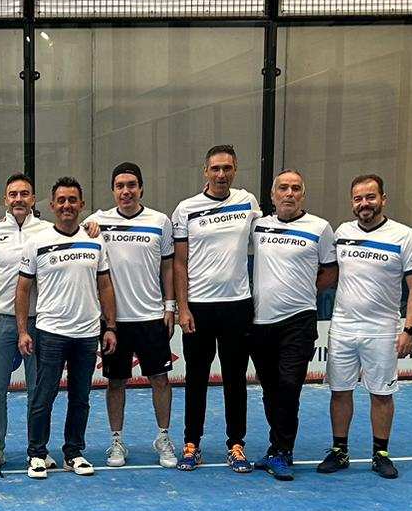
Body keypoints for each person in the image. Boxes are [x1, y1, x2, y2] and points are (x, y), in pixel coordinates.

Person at [317, 173, 412, 480]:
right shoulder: (342, 232)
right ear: (352, 202)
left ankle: (381, 454)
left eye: (370, 197)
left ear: (383, 199)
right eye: (358, 198)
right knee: (340, 391)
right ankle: (340, 451)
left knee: (381, 393)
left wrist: (409, 330)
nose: (364, 203)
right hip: (342, 329)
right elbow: (328, 273)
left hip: (382, 330)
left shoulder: (404, 236)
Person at [15, 177, 117, 479]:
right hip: (50, 333)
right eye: (61, 200)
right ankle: (37, 453)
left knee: (80, 398)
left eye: (72, 200)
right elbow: (23, 289)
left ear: (81, 204)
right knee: (43, 396)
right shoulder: (37, 242)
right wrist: (23, 331)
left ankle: (74, 453)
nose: (67, 205)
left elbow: (105, 285)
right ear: (52, 205)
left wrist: (110, 326)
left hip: (87, 335)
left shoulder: (95, 240)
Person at [171, 144, 261, 473]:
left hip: (237, 307)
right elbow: (179, 264)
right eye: (215, 168)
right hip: (199, 308)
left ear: (235, 170)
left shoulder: (248, 202)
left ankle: (236, 444)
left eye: (227, 168)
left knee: (235, 379)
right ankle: (191, 443)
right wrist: (182, 308)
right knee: (196, 378)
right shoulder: (186, 209)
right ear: (205, 171)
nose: (221, 174)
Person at [249, 169, 337, 481]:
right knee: (270, 389)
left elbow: (330, 271)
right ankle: (276, 447)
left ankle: (283, 451)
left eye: (295, 188)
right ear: (272, 195)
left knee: (289, 386)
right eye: (283, 188)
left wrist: (304, 292)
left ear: (303, 194)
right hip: (260, 322)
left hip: (299, 321)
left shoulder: (319, 228)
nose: (289, 193)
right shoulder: (258, 225)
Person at [90, 162, 177, 469]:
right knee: (116, 382)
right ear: (113, 190)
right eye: (120, 186)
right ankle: (116, 441)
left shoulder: (160, 221)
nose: (125, 191)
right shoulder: (97, 222)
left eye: (131, 185)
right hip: (113, 322)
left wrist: (170, 306)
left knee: (160, 379)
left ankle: (163, 438)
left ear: (141, 188)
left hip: (152, 317)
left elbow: (168, 266)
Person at [0, 172, 53, 471]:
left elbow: (79, 234)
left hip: (39, 320)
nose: (19, 199)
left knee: (38, 391)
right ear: (5, 200)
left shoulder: (48, 232)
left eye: (24, 194)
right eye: (13, 194)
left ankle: (37, 450)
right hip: (1, 319)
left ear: (33, 199)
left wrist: (93, 227)